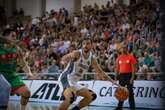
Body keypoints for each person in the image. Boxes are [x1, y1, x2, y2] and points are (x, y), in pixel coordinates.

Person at [58, 37, 118, 110]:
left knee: (91, 96)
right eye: (84, 44)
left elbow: (101, 72)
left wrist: (113, 81)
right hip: (65, 78)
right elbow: (64, 58)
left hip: (74, 82)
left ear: (91, 45)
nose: (85, 45)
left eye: (88, 43)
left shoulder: (92, 59)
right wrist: (64, 65)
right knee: (71, 97)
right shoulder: (77, 53)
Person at [0, 30, 33, 110]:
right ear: (5, 37)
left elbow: (22, 63)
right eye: (13, 36)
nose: (15, 38)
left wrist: (29, 72)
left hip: (12, 75)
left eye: (15, 36)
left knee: (26, 92)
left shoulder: (17, 49)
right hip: (1, 75)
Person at [114, 44, 136, 110]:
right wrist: (115, 77)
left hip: (128, 76)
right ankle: (119, 107)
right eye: (122, 48)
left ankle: (132, 108)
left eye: (125, 48)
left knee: (130, 93)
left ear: (127, 49)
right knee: (121, 92)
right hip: (121, 76)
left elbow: (133, 69)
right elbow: (117, 69)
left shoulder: (131, 57)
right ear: (121, 49)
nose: (123, 49)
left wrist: (132, 78)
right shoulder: (119, 58)